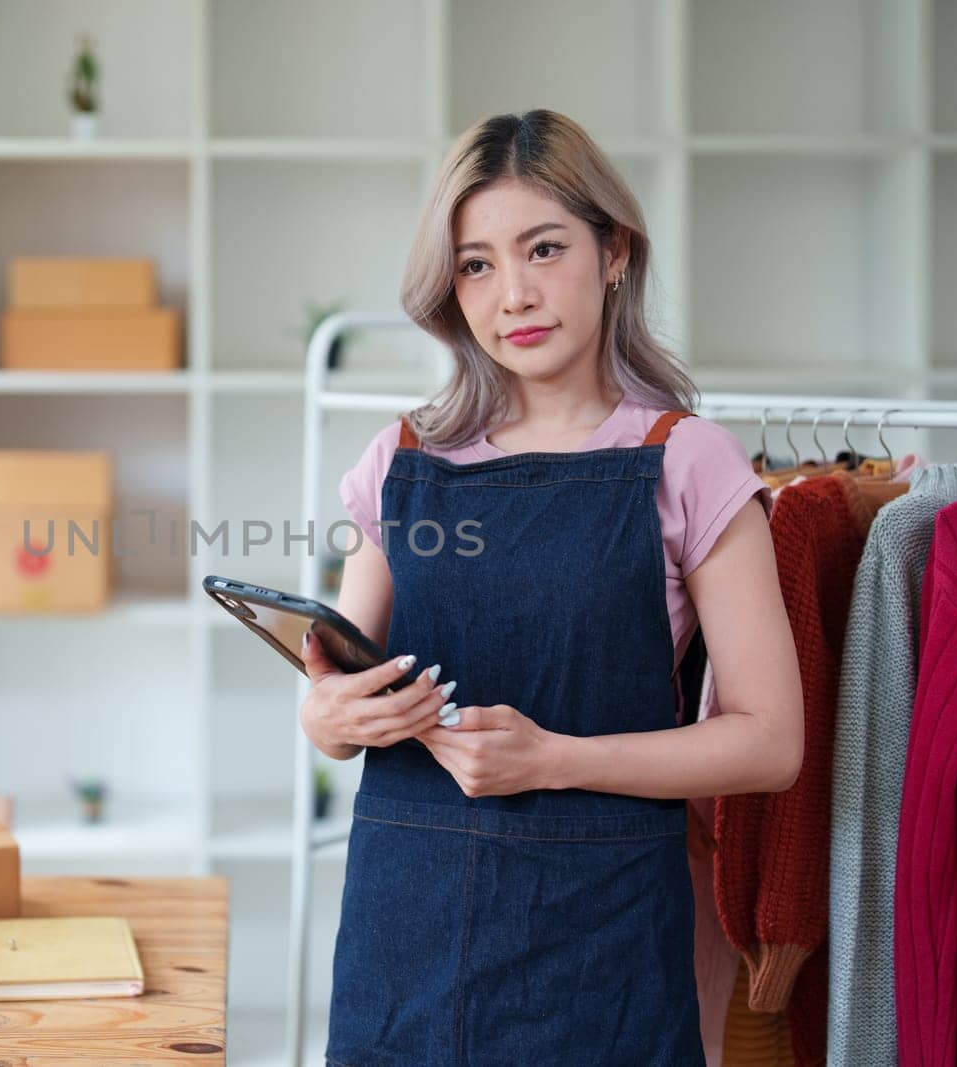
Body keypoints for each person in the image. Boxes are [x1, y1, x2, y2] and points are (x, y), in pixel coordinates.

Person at [298, 109, 805, 1065]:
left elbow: (771, 742)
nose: (515, 294)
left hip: (599, 948)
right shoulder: (402, 460)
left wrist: (552, 759)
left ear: (614, 252)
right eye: (477, 263)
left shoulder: (686, 461)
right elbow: (326, 702)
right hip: (403, 937)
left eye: (544, 248)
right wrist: (332, 717)